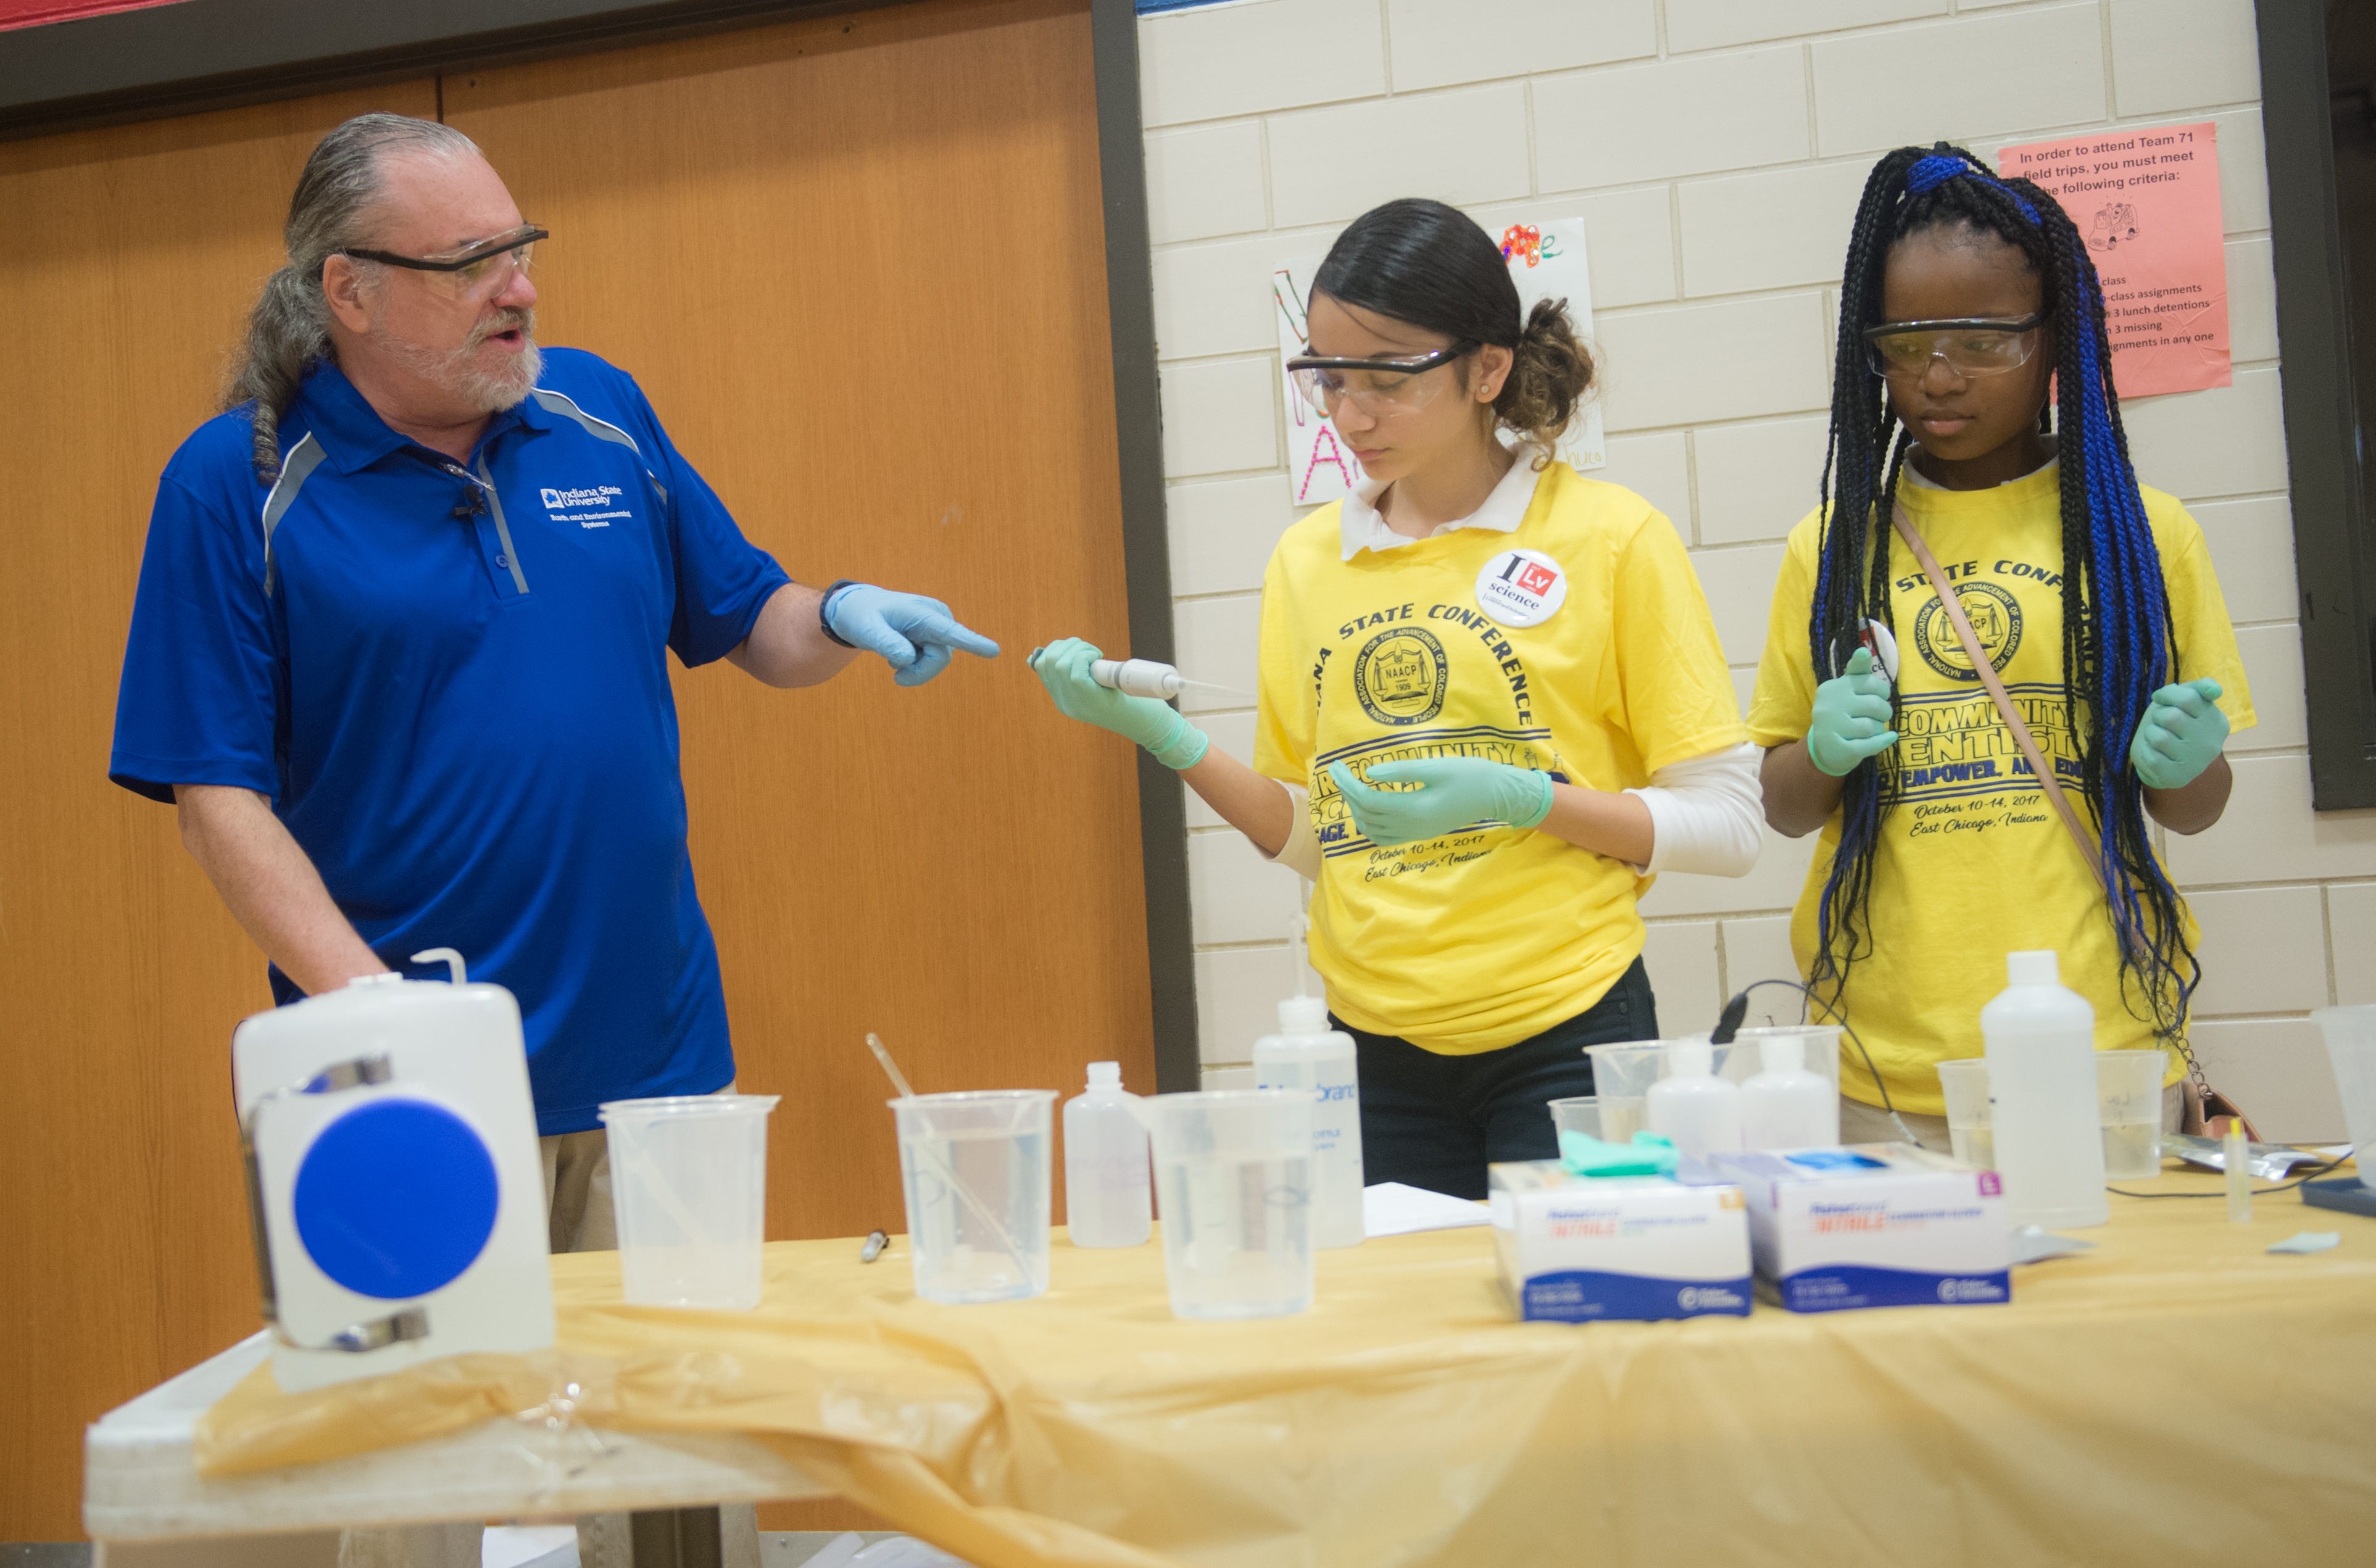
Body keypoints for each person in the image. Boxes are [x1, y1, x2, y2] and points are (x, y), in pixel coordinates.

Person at [109, 114, 995, 1567]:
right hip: (401, 1093)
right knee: (414, 1488)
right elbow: (216, 791)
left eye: (520, 247)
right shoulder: (236, 484)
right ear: (350, 290)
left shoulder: (597, 413)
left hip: (651, 1073)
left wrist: (834, 612)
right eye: (470, 262)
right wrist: (379, 1011)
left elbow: (744, 619)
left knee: (671, 1478)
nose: (519, 286)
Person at [1032, 199, 1759, 1198]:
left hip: (1567, 1031)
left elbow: (1729, 827)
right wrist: (1169, 744)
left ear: (1487, 370)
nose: (1350, 415)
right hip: (1366, 1050)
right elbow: (1312, 834)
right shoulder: (1308, 561)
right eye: (1328, 379)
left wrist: (1529, 801)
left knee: (1567, 1332)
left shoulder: (1610, 538)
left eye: (1386, 379)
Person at [1749, 144, 2253, 1148]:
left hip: (2098, 1046)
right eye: (1905, 342)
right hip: (1880, 1061)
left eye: (1982, 342)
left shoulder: (2140, 535)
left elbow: (2193, 812)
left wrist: (2184, 764)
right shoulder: (1832, 543)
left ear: (2054, 338)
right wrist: (1823, 750)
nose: (1937, 378)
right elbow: (1780, 806)